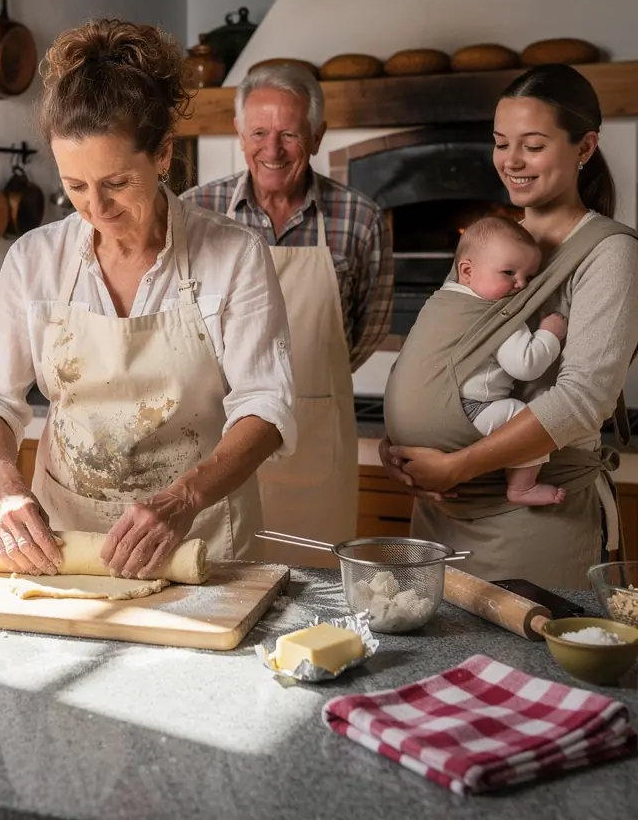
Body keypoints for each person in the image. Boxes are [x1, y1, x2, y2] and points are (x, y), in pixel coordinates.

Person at [0, 19, 296, 578]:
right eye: (76, 187)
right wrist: (5, 491)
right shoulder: (35, 260)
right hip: (65, 547)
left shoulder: (233, 255)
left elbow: (266, 405)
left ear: (162, 154)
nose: (97, 207)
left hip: (199, 543)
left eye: (116, 183)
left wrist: (183, 499)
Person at [380, 64, 638, 587]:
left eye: (533, 145)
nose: (511, 161)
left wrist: (458, 466)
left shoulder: (609, 253)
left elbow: (582, 400)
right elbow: (442, 353)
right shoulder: (492, 244)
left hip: (534, 522)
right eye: (501, 143)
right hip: (438, 516)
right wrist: (400, 444)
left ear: (584, 149)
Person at [183, 61, 393, 566]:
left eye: (289, 134)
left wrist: (311, 384)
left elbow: (369, 328)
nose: (271, 150)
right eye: (258, 132)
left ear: (317, 136)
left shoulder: (361, 219)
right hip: (218, 442)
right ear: (238, 133)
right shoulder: (195, 212)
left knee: (313, 591)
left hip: (316, 444)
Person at [404, 214, 568, 507]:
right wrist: (549, 334)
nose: (520, 285)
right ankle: (522, 487)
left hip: (407, 418)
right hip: (465, 410)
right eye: (508, 273)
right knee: (524, 419)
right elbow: (526, 364)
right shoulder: (494, 313)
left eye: (528, 277)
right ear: (466, 271)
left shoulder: (440, 302)